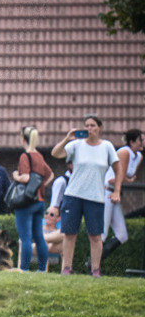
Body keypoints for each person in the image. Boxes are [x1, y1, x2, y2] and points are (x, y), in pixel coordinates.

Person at [50, 114, 122, 276]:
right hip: (73, 195)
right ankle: (67, 268)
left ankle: (95, 269)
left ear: (99, 128)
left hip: (95, 197)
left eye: (93, 126)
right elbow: (56, 153)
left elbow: (118, 169)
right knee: (69, 233)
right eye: (87, 126)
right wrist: (67, 139)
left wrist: (116, 190)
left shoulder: (107, 147)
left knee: (95, 235)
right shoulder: (76, 145)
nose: (89, 129)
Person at [11, 128, 55, 272]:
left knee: (25, 238)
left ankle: (24, 269)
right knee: (39, 237)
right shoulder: (39, 156)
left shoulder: (25, 156)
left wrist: (16, 175)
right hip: (39, 202)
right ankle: (42, 269)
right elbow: (50, 175)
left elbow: (26, 177)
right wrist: (39, 188)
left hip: (26, 202)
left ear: (23, 139)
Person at [100, 128, 143, 262]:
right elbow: (121, 176)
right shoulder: (124, 152)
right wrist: (128, 180)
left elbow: (128, 177)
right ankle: (93, 266)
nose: (143, 142)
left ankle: (94, 262)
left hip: (116, 193)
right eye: (140, 140)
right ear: (132, 141)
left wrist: (127, 179)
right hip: (108, 191)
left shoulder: (139, 156)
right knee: (103, 233)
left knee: (122, 235)